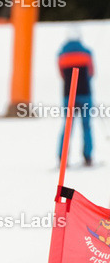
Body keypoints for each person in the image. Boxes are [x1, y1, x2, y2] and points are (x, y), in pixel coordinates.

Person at [57, 28, 95, 167]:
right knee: (86, 127)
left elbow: (61, 73)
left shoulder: (61, 55)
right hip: (85, 94)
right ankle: (88, 156)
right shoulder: (87, 53)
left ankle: (63, 158)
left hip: (68, 95)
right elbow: (91, 72)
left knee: (67, 127)